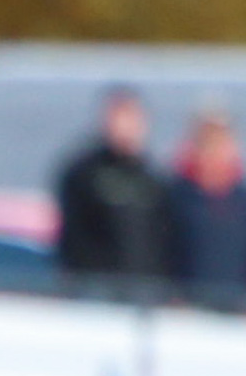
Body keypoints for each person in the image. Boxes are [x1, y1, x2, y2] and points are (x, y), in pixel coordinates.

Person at [51, 85, 173, 294]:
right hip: (96, 292)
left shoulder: (153, 179)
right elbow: (74, 237)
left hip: (144, 295)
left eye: (132, 117)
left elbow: (164, 240)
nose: (126, 126)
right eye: (120, 117)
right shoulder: (84, 174)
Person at [167, 105, 246, 314]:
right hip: (187, 314)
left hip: (236, 314)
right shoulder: (177, 195)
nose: (215, 149)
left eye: (221, 141)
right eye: (208, 141)